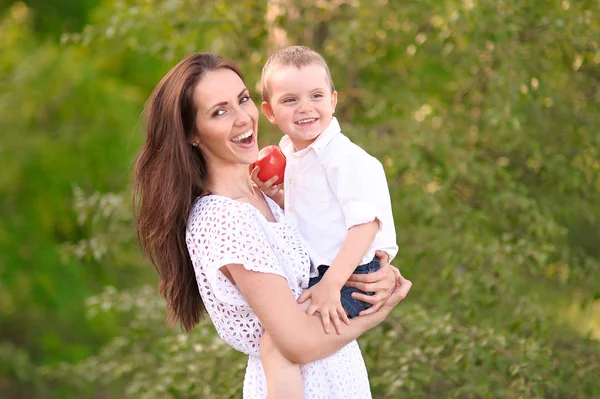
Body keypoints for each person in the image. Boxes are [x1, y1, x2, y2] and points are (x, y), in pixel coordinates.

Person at [133, 52, 412, 399]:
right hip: (301, 388)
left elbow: (336, 238)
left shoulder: (266, 193)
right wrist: (378, 310)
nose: (242, 119)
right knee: (274, 347)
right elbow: (295, 343)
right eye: (219, 112)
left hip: (340, 377)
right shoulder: (223, 220)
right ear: (192, 132)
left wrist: (376, 277)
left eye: (242, 100)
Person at [252, 46, 400, 396]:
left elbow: (365, 225)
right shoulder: (292, 154)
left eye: (316, 95)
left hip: (350, 278)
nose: (305, 107)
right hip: (325, 275)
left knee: (278, 344)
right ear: (270, 112)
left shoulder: (343, 158)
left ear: (333, 100)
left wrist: (332, 285)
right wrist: (280, 199)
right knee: (279, 342)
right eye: (290, 100)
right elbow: (319, 215)